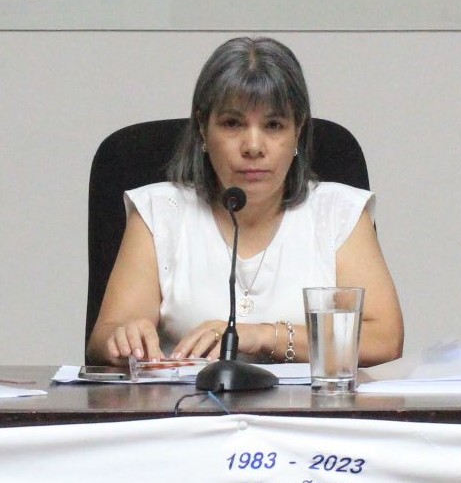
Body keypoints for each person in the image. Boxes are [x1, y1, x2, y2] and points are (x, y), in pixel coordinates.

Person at [86, 36, 404, 367]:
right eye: (232, 124)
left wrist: (264, 336)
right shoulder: (160, 212)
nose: (253, 146)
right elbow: (107, 335)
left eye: (274, 125)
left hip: (307, 401)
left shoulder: (338, 213)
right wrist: (124, 338)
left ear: (298, 132)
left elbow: (384, 339)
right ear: (202, 129)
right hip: (188, 399)